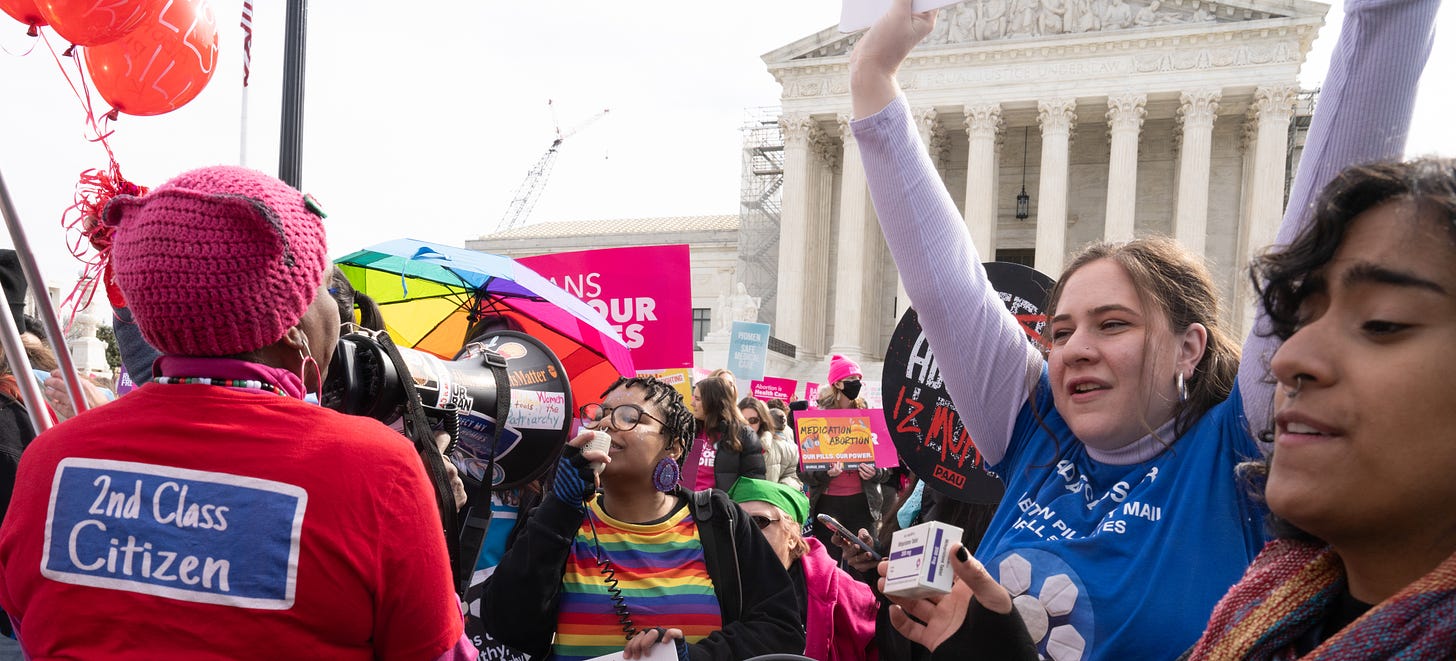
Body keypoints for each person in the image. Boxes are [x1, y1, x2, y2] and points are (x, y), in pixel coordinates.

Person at [848, 0, 1437, 657]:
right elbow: (944, 284)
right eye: (1061, 331)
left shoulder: (1234, 454)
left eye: (1113, 323)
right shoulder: (1032, 426)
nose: (1075, 351)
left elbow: (1326, 213)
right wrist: (873, 78)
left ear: (1190, 346)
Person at [0, 166, 474, 659]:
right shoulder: (379, 471)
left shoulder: (48, 462)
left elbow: (26, 626)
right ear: (290, 325)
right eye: (328, 287)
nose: (339, 313)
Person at [481, 376, 803, 660]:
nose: (605, 425)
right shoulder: (561, 519)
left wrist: (699, 656)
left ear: (673, 446)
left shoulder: (720, 520)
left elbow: (779, 628)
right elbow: (506, 623)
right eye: (600, 415)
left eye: (628, 417)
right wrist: (558, 507)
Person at [728, 477, 877, 661]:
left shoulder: (843, 592)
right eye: (735, 523)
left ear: (792, 535)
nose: (744, 531)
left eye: (758, 521)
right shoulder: (712, 586)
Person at [804, 355, 895, 562]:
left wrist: (875, 472)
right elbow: (805, 473)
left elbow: (885, 469)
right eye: (852, 378)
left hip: (863, 503)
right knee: (828, 561)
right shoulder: (816, 419)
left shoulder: (868, 416)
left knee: (863, 560)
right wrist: (825, 473)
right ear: (837, 383)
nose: (857, 384)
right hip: (827, 503)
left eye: (858, 379)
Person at [686, 376, 766, 491]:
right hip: (687, 505)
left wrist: (729, 506)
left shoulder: (744, 435)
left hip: (720, 506)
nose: (692, 403)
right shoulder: (688, 430)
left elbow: (753, 483)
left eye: (698, 399)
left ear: (713, 402)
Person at [740, 396, 801, 489]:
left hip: (770, 501)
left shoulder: (788, 449)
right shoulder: (725, 445)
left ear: (762, 421)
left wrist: (779, 491)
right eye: (743, 420)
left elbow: (793, 477)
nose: (747, 425)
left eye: (753, 420)